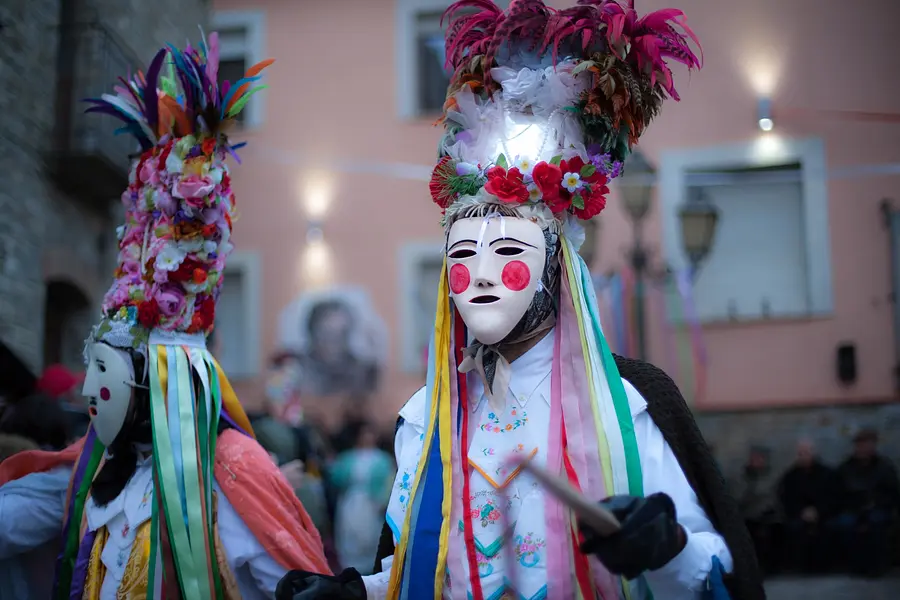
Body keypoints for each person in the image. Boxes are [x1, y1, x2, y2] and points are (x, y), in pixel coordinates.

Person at [276, 2, 762, 599]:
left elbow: (717, 571)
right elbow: (420, 573)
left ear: (556, 265)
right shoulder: (422, 420)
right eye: (460, 256)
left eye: (506, 249)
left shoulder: (631, 405)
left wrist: (668, 548)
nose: (478, 274)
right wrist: (355, 593)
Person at [0, 36, 331, 598]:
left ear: (154, 377)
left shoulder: (233, 470)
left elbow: (299, 586)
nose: (89, 391)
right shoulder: (94, 465)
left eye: (105, 372)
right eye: (95, 368)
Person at [833, 428, 900, 576]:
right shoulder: (846, 468)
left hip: (877, 509)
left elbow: (892, 493)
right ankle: (855, 566)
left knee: (877, 522)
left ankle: (877, 566)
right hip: (852, 509)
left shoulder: (884, 467)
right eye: (860, 444)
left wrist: (876, 503)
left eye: (867, 444)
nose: (863, 448)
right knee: (846, 524)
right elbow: (838, 493)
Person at [330, 425, 395, 574]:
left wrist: (383, 501)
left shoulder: (383, 459)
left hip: (371, 503)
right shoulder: (347, 457)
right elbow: (336, 477)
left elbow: (389, 481)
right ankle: (349, 569)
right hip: (351, 501)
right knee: (349, 532)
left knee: (370, 534)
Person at [777, 439, 839, 573]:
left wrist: (818, 511)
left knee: (828, 529)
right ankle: (801, 567)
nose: (804, 456)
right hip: (799, 514)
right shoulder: (791, 476)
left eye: (806, 453)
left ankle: (824, 566)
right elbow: (787, 498)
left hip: (824, 514)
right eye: (801, 453)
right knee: (795, 528)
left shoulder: (827, 474)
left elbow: (833, 497)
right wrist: (801, 512)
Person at [731, 446, 781, 574]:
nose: (757, 461)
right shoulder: (743, 477)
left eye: (760, 458)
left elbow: (771, 497)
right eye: (754, 458)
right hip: (747, 515)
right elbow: (737, 497)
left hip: (766, 515)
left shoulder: (770, 477)